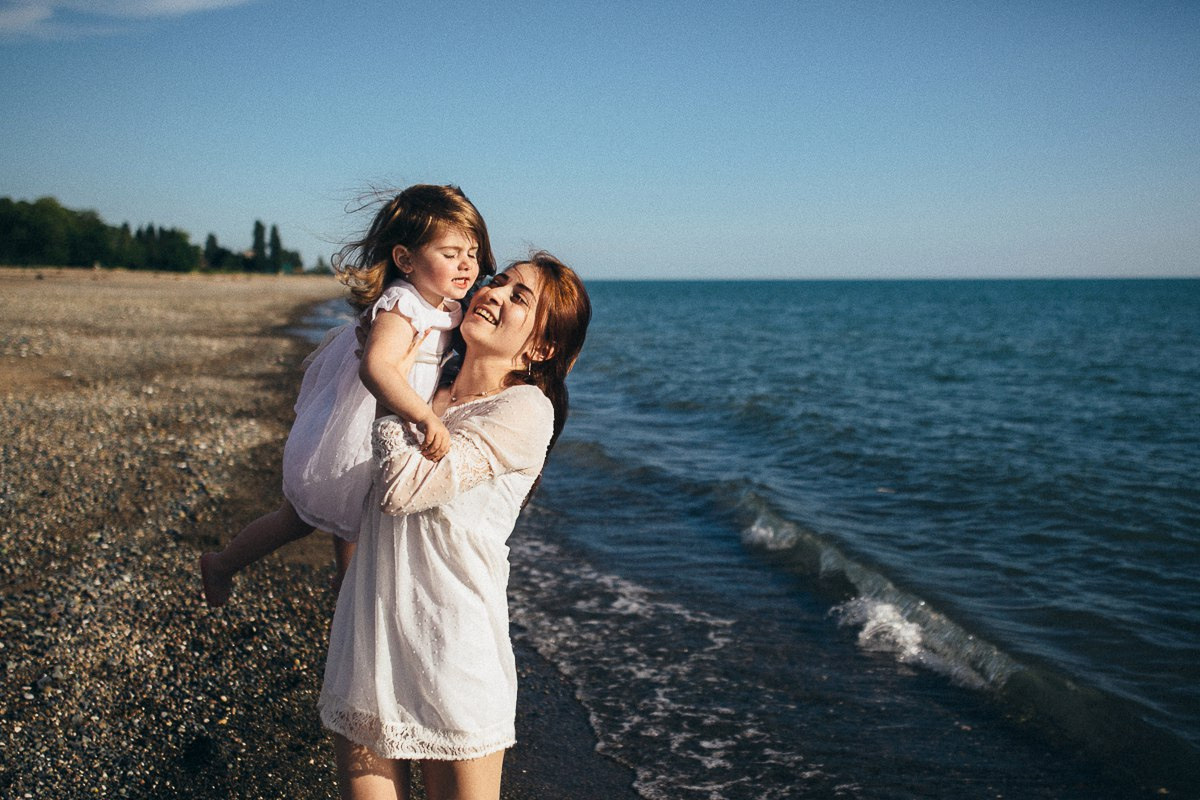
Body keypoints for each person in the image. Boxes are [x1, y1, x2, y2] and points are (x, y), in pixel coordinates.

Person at [318, 253, 590, 800]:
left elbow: (403, 490)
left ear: (540, 348)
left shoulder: (524, 410)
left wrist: (388, 380)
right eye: (498, 282)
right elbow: (355, 506)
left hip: (453, 654)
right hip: (371, 647)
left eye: (520, 298)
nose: (493, 293)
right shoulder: (427, 376)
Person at [199, 185, 496, 607]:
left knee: (355, 514)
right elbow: (375, 367)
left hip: (387, 418)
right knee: (301, 518)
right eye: (450, 254)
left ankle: (346, 586)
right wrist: (425, 418)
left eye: (473, 252)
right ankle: (223, 564)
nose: (467, 264)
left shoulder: (448, 304)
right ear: (405, 260)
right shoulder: (402, 304)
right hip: (362, 419)